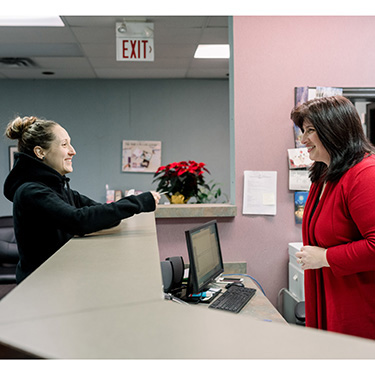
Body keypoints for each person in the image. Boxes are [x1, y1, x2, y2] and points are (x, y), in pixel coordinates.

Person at [3, 116, 161, 284]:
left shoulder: (59, 190)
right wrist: (140, 202)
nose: (73, 151)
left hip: (59, 277)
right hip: (40, 285)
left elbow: (99, 214)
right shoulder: (31, 192)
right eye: (64, 144)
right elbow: (79, 220)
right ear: (40, 152)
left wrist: (118, 211)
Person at [290, 95, 375, 340]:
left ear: (333, 130)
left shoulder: (364, 175)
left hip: (359, 312)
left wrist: (326, 257)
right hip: (328, 301)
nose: (303, 139)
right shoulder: (325, 174)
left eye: (310, 131)